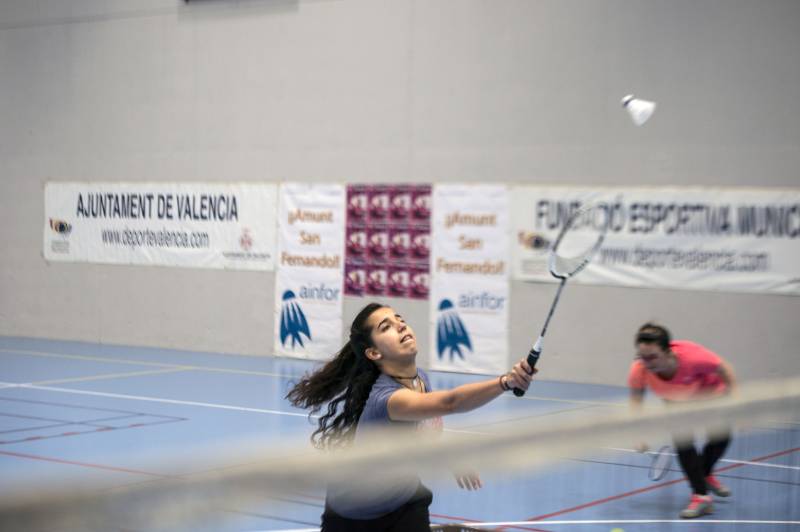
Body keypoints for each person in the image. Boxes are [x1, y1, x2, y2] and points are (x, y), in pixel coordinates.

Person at [286, 302, 535, 532]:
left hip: (403, 500)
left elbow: (425, 430)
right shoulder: (388, 399)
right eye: (387, 327)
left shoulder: (419, 379)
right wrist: (506, 382)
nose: (400, 325)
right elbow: (450, 402)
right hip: (353, 517)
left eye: (399, 319)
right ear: (373, 353)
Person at [628, 323, 737, 519]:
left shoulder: (694, 358)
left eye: (653, 357)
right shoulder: (639, 369)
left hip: (709, 395)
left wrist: (736, 400)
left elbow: (724, 370)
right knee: (683, 441)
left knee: (722, 437)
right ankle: (701, 496)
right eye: (643, 357)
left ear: (668, 352)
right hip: (676, 400)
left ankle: (703, 475)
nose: (647, 362)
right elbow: (636, 402)